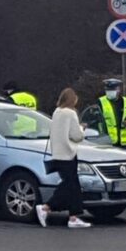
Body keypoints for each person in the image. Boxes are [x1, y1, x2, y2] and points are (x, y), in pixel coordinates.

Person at [36, 88, 91, 229]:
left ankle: (74, 217)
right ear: (72, 100)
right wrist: (82, 128)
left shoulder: (57, 112)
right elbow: (76, 135)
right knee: (68, 185)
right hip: (68, 154)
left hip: (57, 153)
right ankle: (46, 207)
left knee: (73, 185)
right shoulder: (71, 113)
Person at [98, 78, 126, 149]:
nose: (109, 92)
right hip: (107, 142)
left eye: (112, 90)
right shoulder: (101, 102)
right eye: (108, 90)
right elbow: (96, 119)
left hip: (123, 143)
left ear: (119, 89)